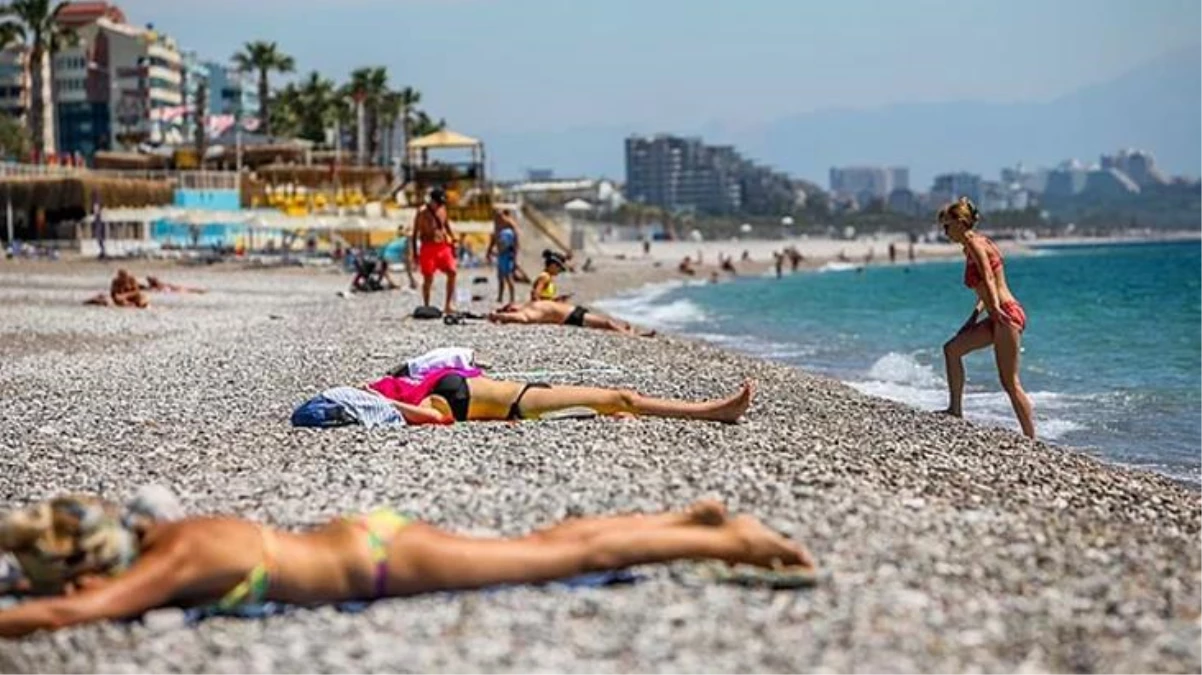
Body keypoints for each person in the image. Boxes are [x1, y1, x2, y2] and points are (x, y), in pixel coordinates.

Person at [0, 495, 813, 638]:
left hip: (384, 563)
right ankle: (683, 520)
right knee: (543, 543)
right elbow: (84, 591)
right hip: (371, 540)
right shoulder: (172, 530)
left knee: (561, 557)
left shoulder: (172, 562)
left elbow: (73, 613)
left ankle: (729, 542)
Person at [938, 197, 1034, 439]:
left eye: (947, 226)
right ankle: (955, 410)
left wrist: (996, 309)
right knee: (952, 350)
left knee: (1010, 382)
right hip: (997, 314)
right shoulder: (973, 244)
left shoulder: (975, 244)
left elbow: (990, 279)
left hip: (1006, 314)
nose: (945, 232)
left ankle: (1032, 438)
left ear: (960, 223)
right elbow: (984, 287)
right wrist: (974, 316)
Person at [367, 370, 749, 424]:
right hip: (522, 404)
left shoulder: (426, 383)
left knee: (617, 402)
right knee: (622, 397)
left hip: (530, 393)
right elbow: (434, 421)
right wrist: (387, 404)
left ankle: (713, 410)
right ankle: (713, 412)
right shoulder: (429, 404)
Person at [488, 300, 655, 338]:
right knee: (607, 323)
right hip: (571, 317)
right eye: (511, 307)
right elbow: (522, 319)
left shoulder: (528, 304)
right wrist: (499, 316)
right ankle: (634, 337)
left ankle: (630, 331)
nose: (514, 305)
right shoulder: (528, 313)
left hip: (575, 311)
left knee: (612, 321)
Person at [409, 187, 458, 313]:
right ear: (432, 200)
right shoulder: (422, 212)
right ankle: (426, 305)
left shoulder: (442, 209)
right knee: (428, 278)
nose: (439, 205)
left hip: (442, 246)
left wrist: (453, 239)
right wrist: (415, 253)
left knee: (452, 272)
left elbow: (446, 225)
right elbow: (414, 234)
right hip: (428, 248)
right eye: (438, 202)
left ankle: (448, 305)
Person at [487, 209, 520, 304]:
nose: (497, 219)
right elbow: (494, 238)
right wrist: (489, 251)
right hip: (500, 254)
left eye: (499, 217)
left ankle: (512, 298)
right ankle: (500, 296)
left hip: (508, 253)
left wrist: (515, 255)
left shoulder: (509, 224)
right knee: (500, 276)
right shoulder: (496, 225)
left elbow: (516, 240)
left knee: (508, 276)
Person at [85, 269, 149, 308]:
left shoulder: (132, 280)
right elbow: (114, 294)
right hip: (119, 299)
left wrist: (125, 295)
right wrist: (121, 297)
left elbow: (137, 291)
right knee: (108, 300)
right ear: (119, 276)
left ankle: (139, 304)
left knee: (143, 297)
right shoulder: (115, 281)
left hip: (130, 297)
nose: (124, 278)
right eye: (122, 276)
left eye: (125, 276)